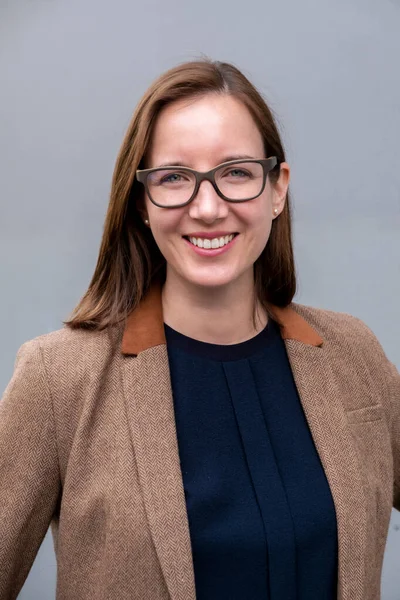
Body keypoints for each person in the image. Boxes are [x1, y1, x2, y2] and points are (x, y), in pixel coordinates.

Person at [0, 58, 399, 600]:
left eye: (236, 172)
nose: (207, 207)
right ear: (141, 200)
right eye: (174, 178)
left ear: (277, 189)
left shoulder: (354, 353)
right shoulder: (59, 379)